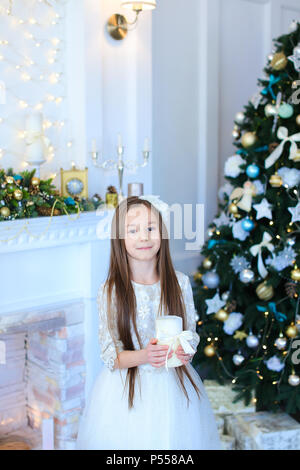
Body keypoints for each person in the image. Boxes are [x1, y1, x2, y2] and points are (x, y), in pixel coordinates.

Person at [75, 195, 221, 450]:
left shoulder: (180, 283)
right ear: (120, 239)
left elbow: (191, 334)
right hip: (127, 392)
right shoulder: (110, 291)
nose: (144, 237)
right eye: (133, 230)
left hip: (175, 389)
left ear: (162, 234)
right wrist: (145, 356)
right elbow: (111, 355)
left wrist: (186, 349)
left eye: (151, 228)